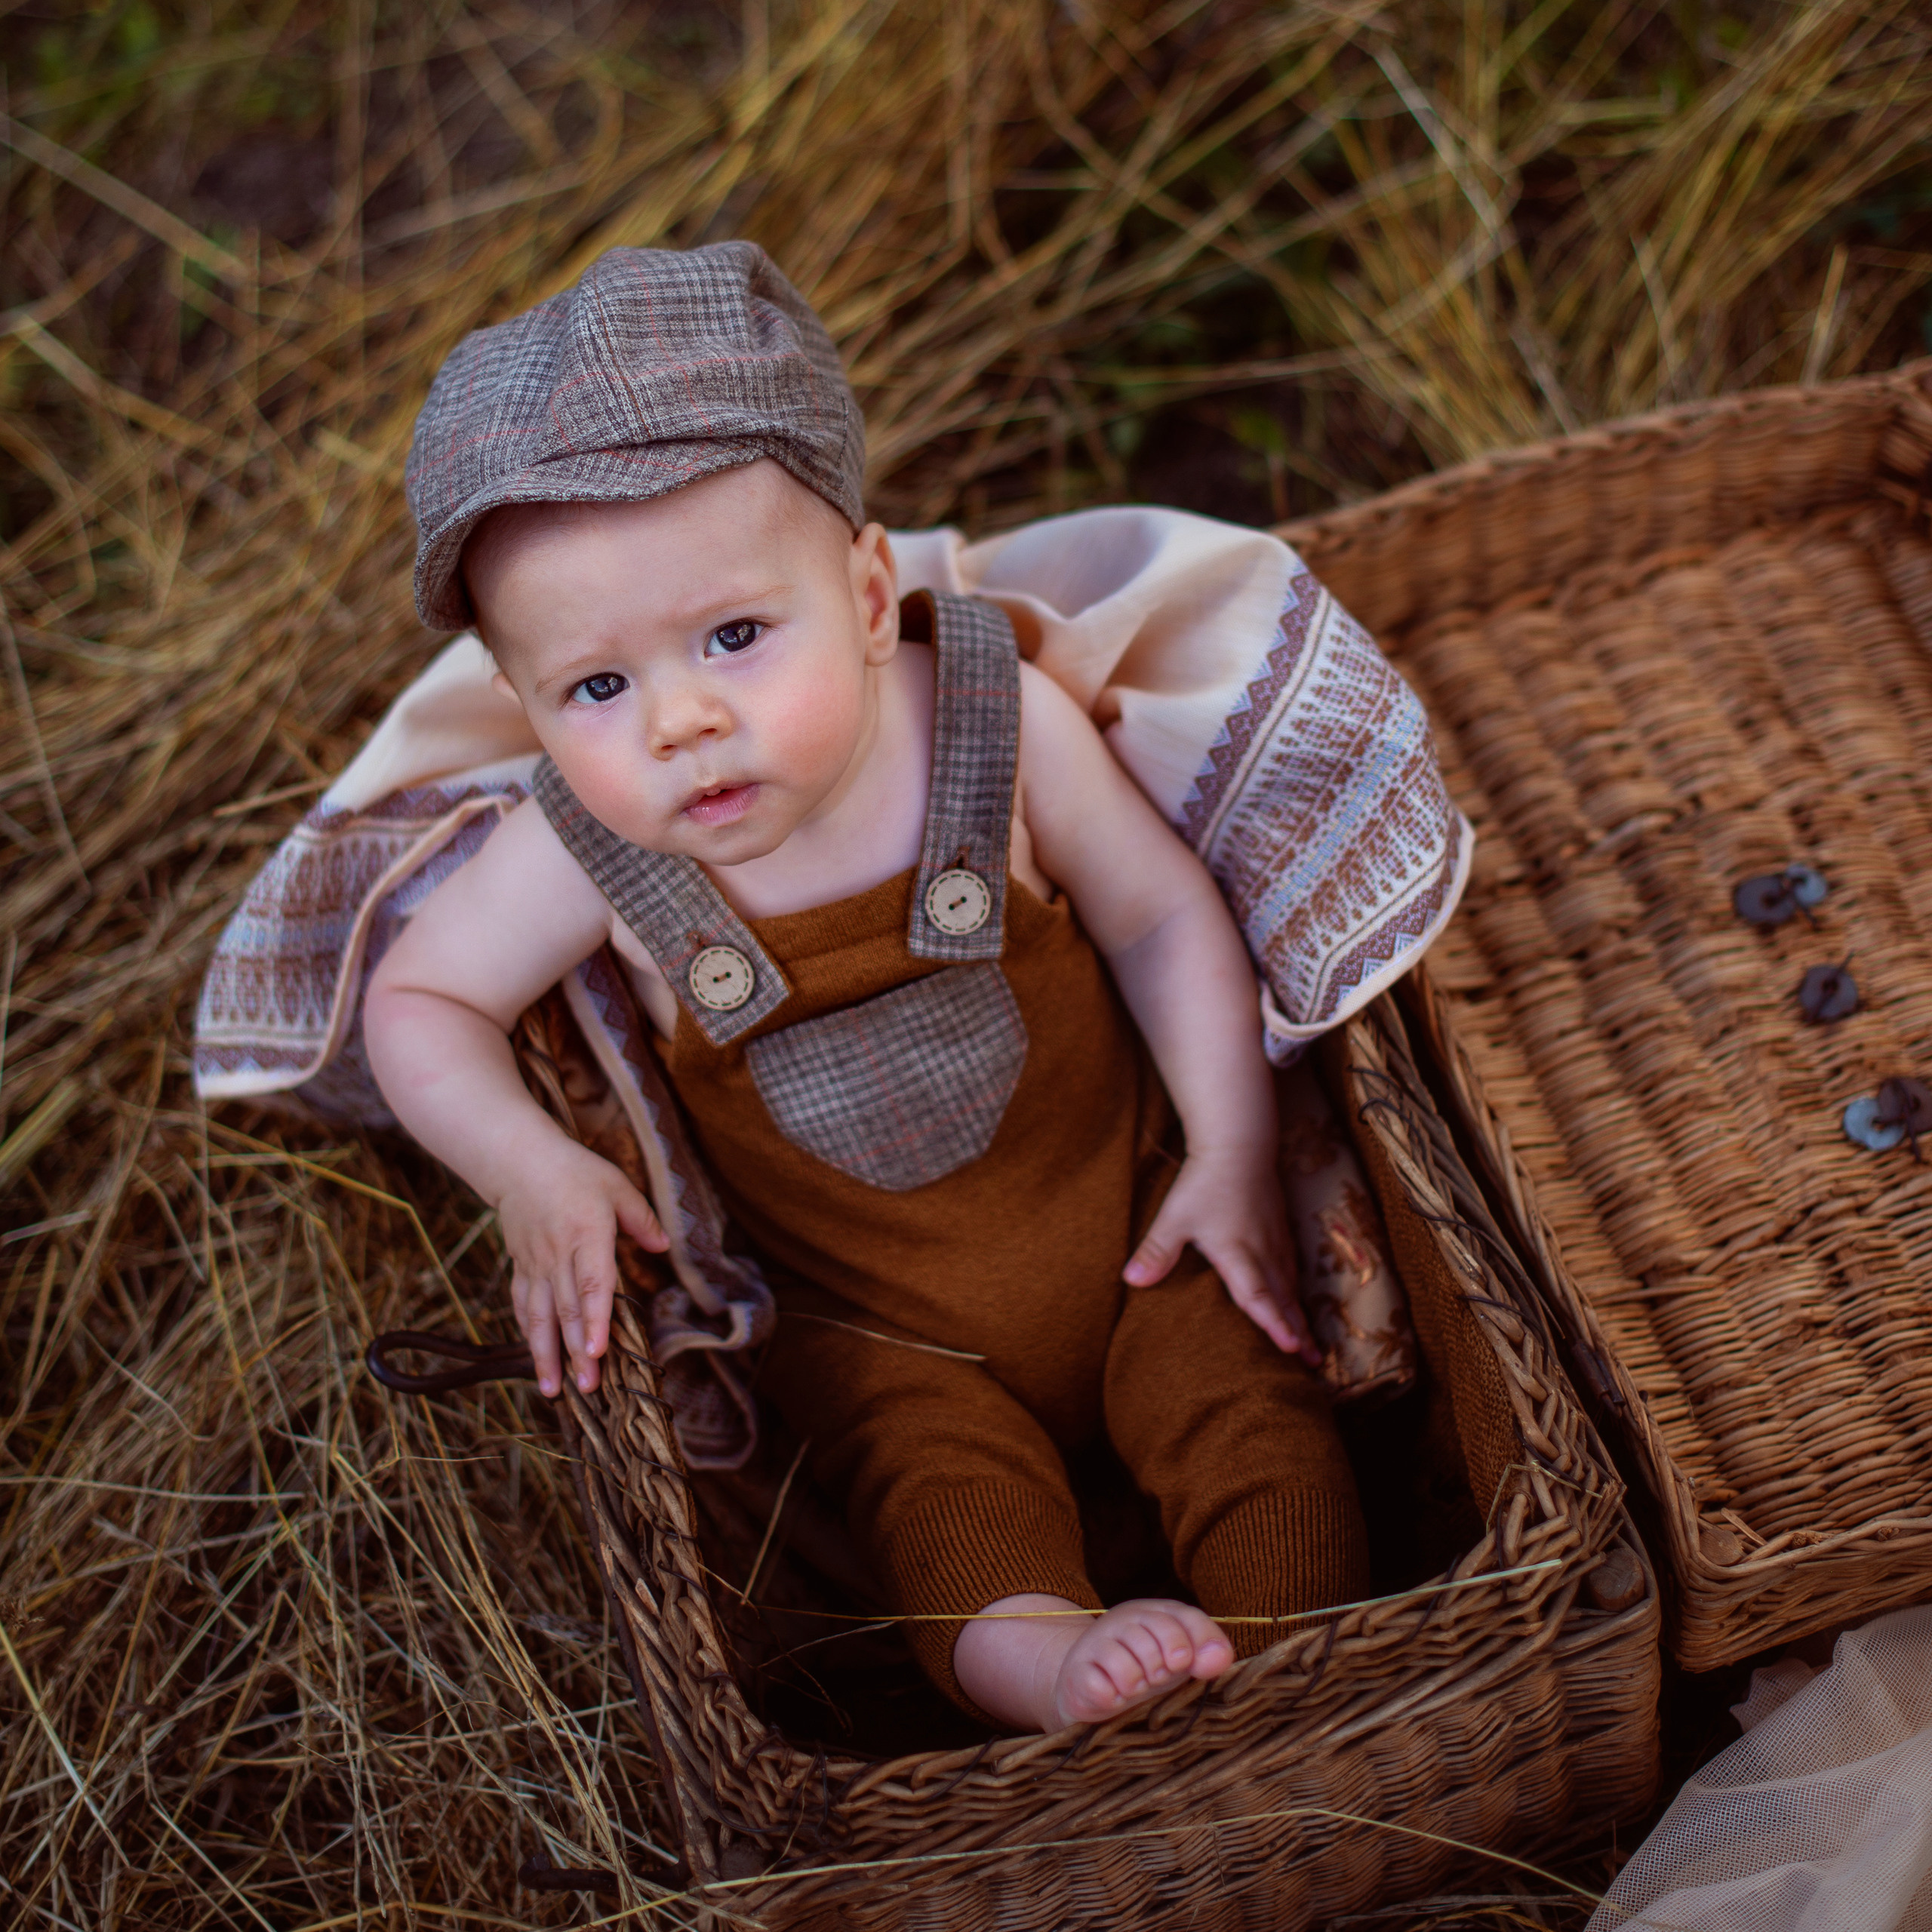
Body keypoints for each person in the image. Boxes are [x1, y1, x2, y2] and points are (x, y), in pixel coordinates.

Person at [364, 240, 1368, 1734]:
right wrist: (532, 1168)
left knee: (1256, 1413)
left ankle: (1300, 1664)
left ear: (867, 583)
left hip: (1131, 1227)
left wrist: (1224, 1153)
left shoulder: (990, 715)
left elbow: (1159, 916)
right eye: (596, 686)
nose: (683, 721)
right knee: (934, 1505)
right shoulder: (580, 847)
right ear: (521, 705)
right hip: (886, 1333)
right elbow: (419, 1001)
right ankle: (1047, 1661)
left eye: (734, 635)